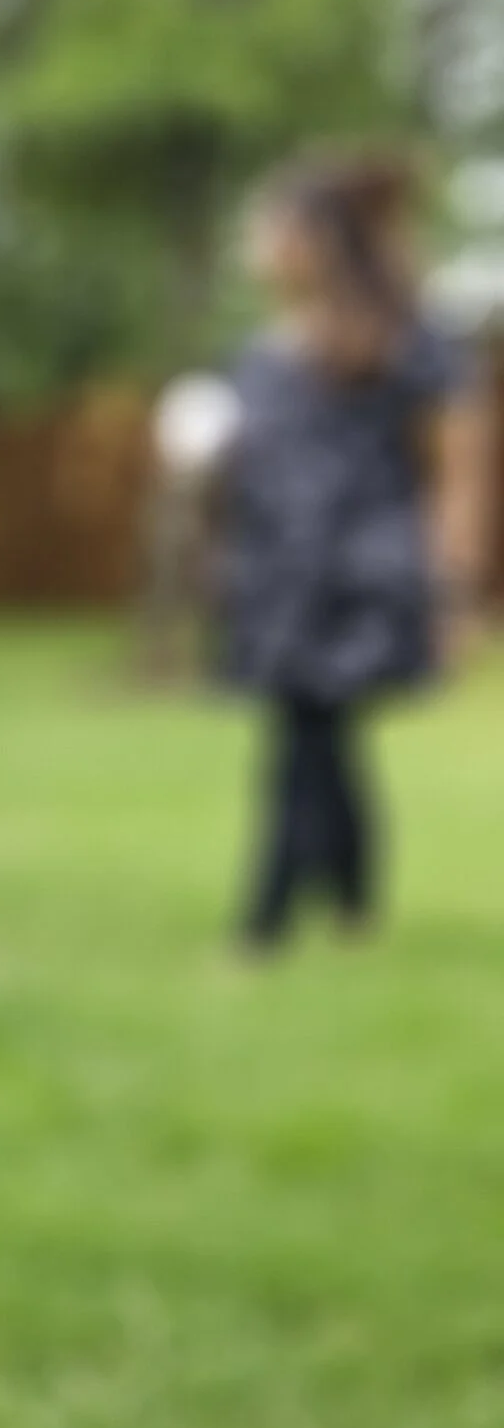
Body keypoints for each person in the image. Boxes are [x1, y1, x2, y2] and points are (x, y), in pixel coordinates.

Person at [208, 150, 492, 953]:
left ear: (314, 241)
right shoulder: (264, 354)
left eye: (266, 229)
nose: (253, 245)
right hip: (281, 580)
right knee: (325, 740)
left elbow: (457, 470)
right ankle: (354, 907)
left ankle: (263, 926)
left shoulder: (402, 344)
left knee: (301, 743)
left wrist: (454, 590)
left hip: (362, 579)